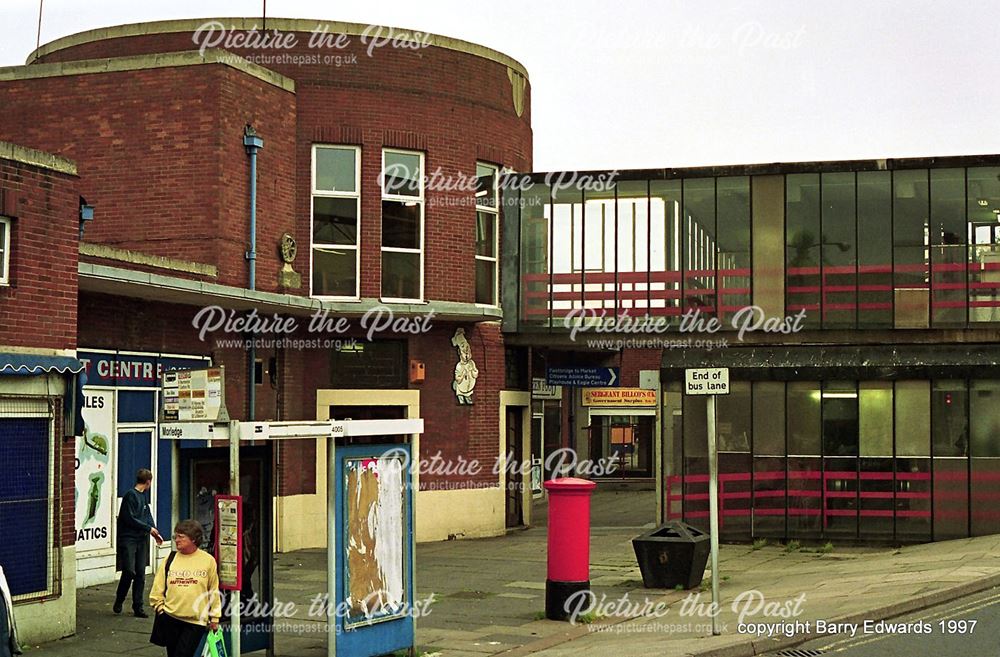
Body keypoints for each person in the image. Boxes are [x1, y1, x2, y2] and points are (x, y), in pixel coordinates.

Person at [149, 520, 222, 657]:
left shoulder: (208, 561)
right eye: (176, 536)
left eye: (181, 537)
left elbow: (213, 590)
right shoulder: (170, 559)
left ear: (193, 538)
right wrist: (160, 608)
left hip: (195, 621)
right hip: (170, 617)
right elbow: (157, 588)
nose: (177, 540)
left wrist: (215, 617)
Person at [114, 468, 163, 617]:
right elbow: (129, 518)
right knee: (129, 571)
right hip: (128, 538)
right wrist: (149, 529)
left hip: (141, 538)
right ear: (148, 482)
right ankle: (120, 599)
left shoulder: (142, 497)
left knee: (140, 573)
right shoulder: (131, 496)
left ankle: (138, 606)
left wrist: (154, 530)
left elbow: (147, 515)